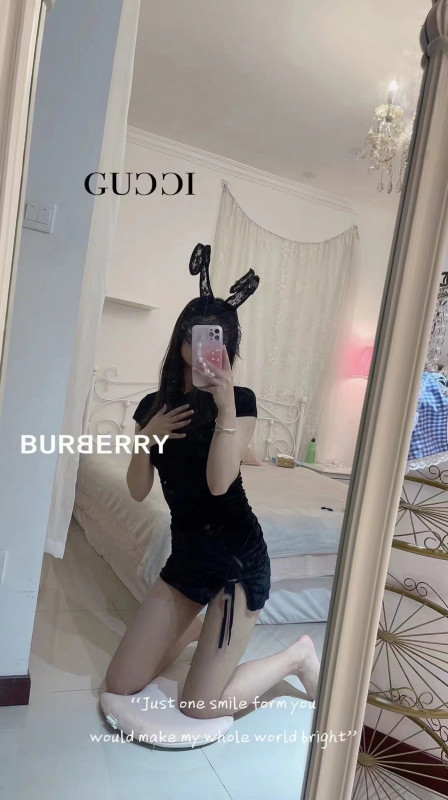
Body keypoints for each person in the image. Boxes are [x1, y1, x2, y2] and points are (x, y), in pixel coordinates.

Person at [105, 244, 320, 720]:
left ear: (228, 345)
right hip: (187, 558)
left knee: (200, 706)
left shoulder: (241, 401)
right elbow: (138, 491)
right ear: (181, 337)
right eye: (194, 332)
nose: (201, 343)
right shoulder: (151, 407)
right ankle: (201, 627)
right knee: (120, 682)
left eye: (214, 335)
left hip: (236, 562)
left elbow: (221, 483)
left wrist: (224, 407)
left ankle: (297, 656)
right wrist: (145, 440)